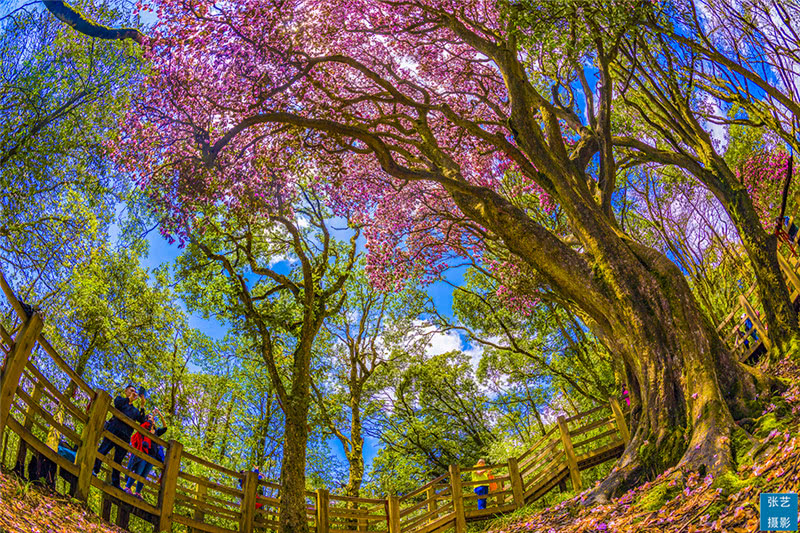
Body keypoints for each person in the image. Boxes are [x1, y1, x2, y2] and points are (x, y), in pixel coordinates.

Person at [93, 384, 146, 488]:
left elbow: (142, 420)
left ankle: (115, 483)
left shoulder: (135, 410)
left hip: (125, 436)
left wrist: (142, 405)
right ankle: (94, 469)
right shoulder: (120, 399)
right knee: (103, 450)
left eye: (134, 391)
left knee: (118, 460)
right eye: (131, 390)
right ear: (126, 391)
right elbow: (117, 405)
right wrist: (129, 399)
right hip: (113, 430)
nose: (133, 393)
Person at [124, 412, 168, 497]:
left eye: (153, 418)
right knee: (138, 472)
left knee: (144, 475)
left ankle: (137, 492)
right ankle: (127, 487)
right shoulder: (145, 427)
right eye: (150, 418)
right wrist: (151, 419)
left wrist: (160, 415)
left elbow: (165, 428)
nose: (152, 419)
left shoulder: (156, 432)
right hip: (144, 453)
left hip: (153, 456)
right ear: (147, 420)